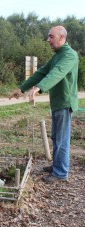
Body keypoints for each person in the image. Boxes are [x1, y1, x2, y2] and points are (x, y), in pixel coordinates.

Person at [9, 25, 79, 183]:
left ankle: (61, 173)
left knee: (61, 139)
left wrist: (39, 88)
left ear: (62, 37)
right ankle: (57, 165)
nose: (48, 40)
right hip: (57, 103)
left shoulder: (69, 55)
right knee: (56, 136)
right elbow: (42, 72)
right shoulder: (57, 55)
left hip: (65, 103)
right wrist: (22, 88)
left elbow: (57, 73)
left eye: (51, 37)